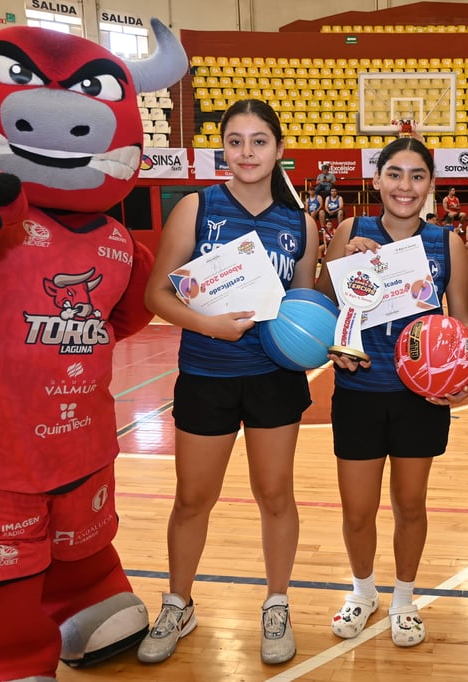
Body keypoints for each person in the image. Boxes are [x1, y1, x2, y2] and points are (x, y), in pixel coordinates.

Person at [0, 14, 187, 678]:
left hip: (85, 436)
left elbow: (127, 315)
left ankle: (88, 598)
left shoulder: (117, 239)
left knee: (83, 537)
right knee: (4, 562)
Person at [141, 99, 319, 665]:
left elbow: (304, 305)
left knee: (276, 495)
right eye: (235, 141)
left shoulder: (301, 223)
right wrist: (209, 326)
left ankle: (277, 602)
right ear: (222, 149)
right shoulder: (196, 207)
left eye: (259, 141)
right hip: (206, 373)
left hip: (274, 379)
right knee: (193, 498)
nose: (247, 152)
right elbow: (156, 294)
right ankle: (179, 602)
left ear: (279, 149)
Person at [315, 136, 468, 647]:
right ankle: (363, 592)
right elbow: (317, 308)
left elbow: (462, 322)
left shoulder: (448, 242)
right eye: (395, 174)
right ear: (377, 179)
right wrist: (346, 268)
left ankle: (404, 598)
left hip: (419, 397)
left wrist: (463, 381)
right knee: (358, 510)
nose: (406, 186)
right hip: (359, 389)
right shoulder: (349, 230)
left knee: (410, 505)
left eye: (417, 176)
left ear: (431, 185)